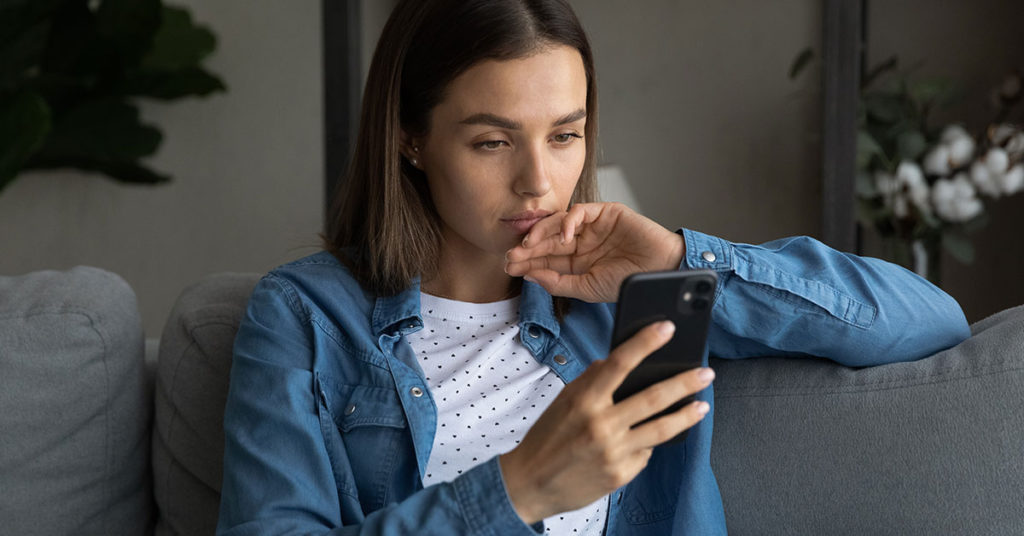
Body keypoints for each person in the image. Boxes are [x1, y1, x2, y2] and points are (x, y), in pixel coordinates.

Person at [216, 1, 970, 534]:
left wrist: (678, 260)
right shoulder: (306, 316)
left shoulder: (633, 302)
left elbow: (929, 321)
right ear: (411, 138)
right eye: (492, 142)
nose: (538, 183)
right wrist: (518, 490)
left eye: (565, 136)